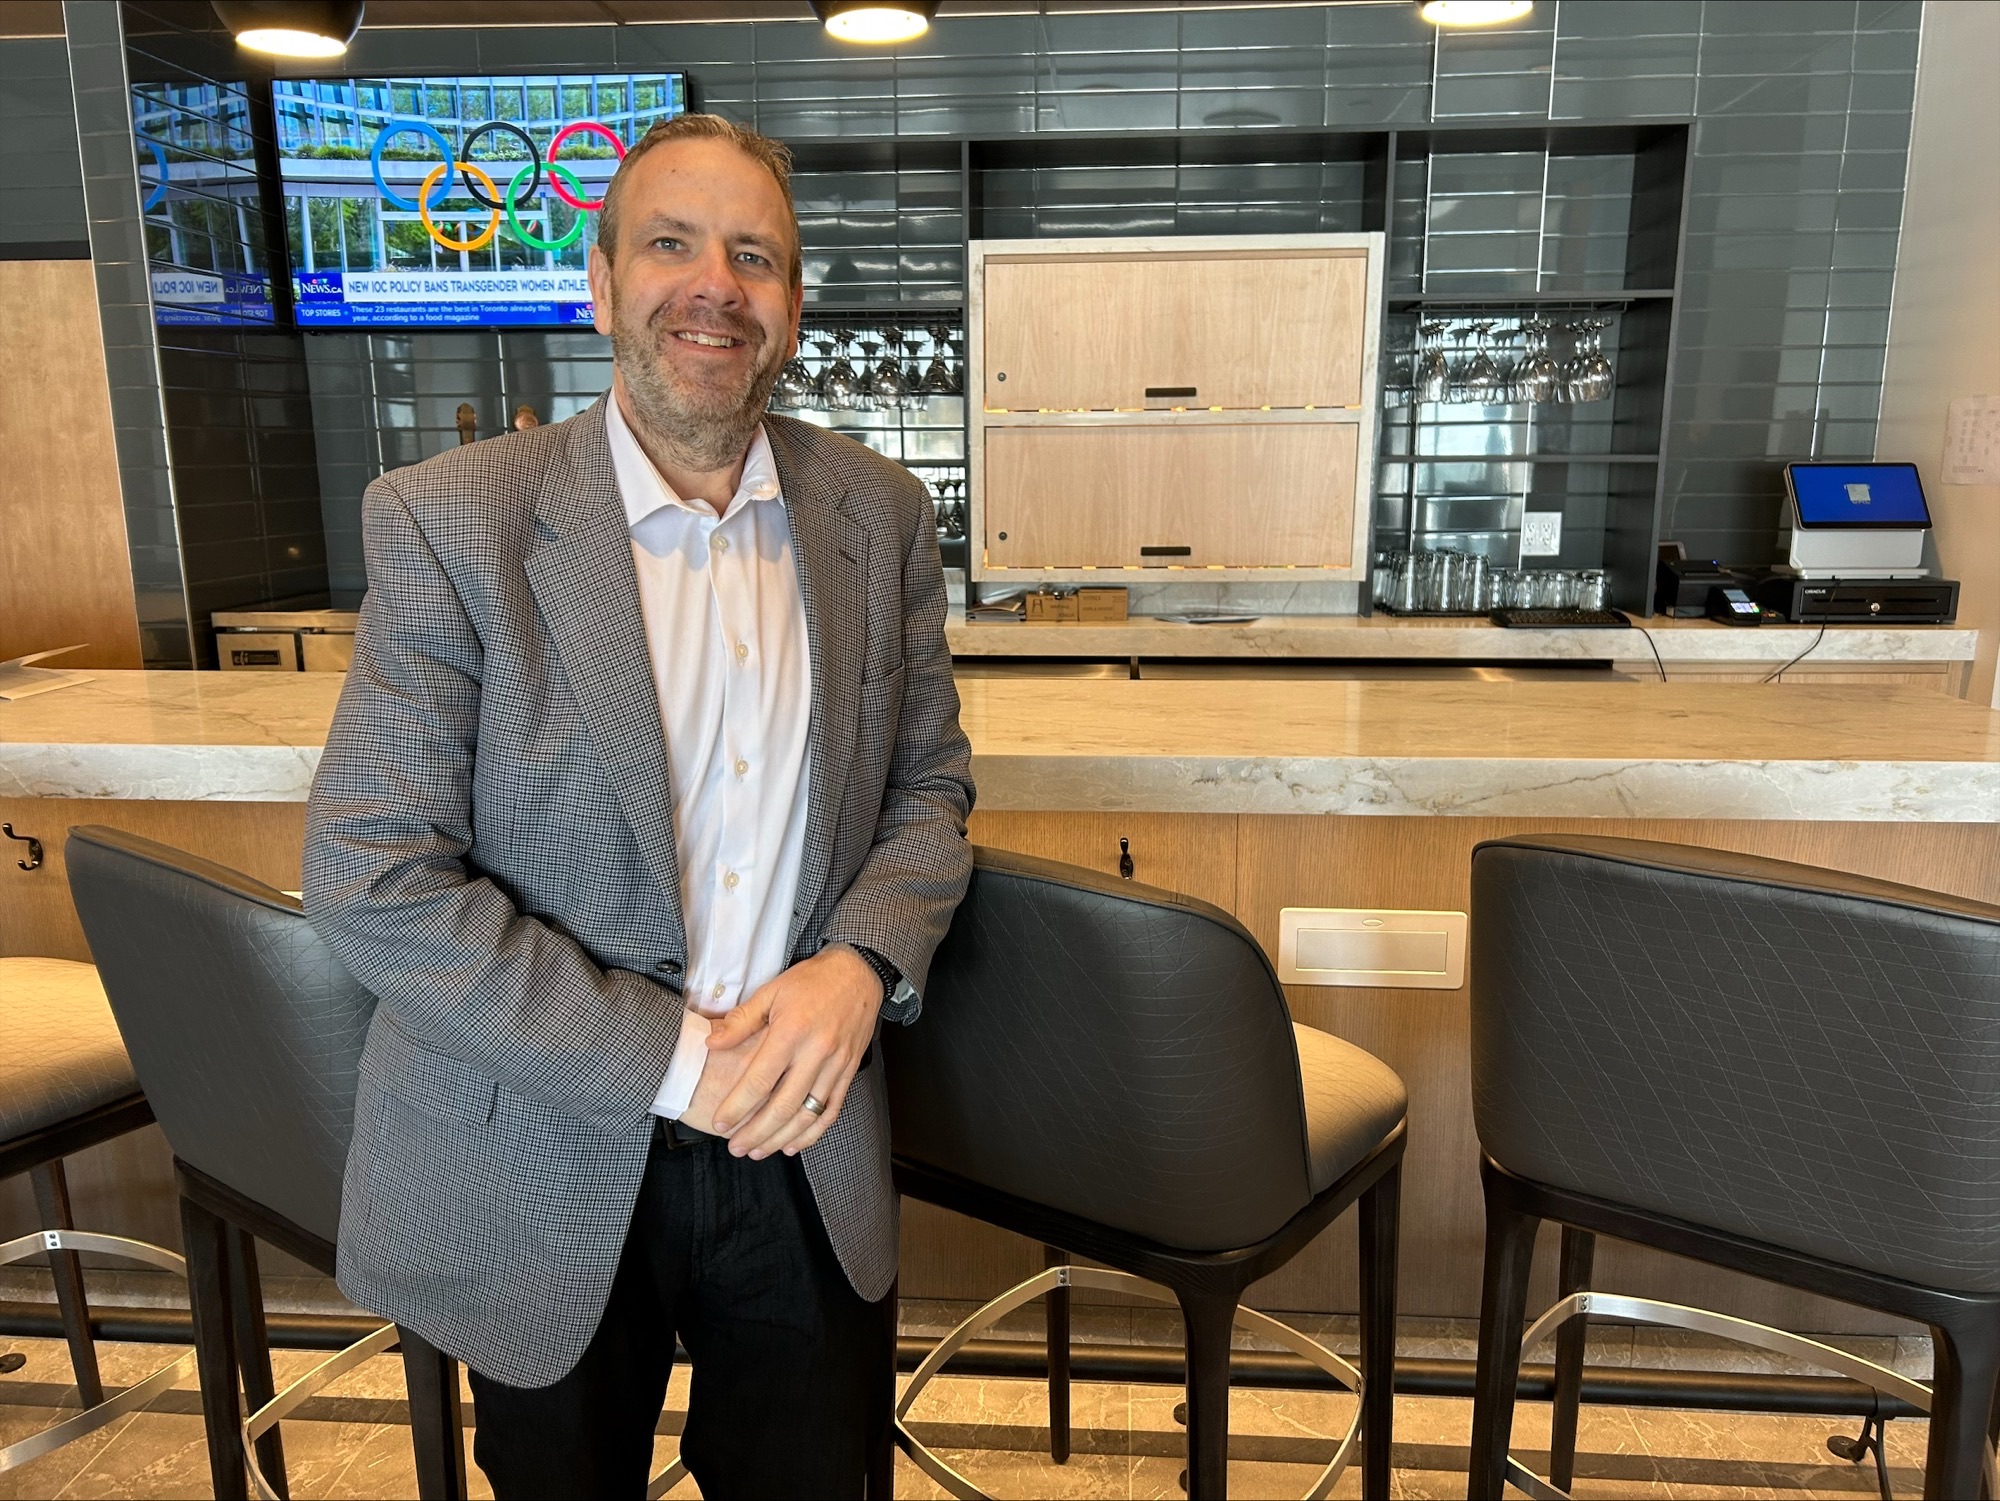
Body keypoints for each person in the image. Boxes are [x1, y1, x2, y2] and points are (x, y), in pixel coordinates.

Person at [303, 113, 975, 1499]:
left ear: (792, 307)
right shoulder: (449, 518)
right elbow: (372, 872)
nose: (715, 285)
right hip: (538, 1136)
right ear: (602, 286)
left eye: (755, 256)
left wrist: (862, 963)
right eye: (672, 244)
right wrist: (671, 1060)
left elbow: (929, 789)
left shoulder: (880, 515)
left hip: (802, 1135)